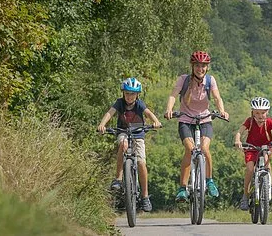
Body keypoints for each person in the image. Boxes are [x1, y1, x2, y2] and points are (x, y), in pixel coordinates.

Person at [164, 51, 229, 202]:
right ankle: (182, 188)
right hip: (186, 120)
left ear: (207, 67)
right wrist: (169, 109)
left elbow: (217, 97)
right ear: (192, 66)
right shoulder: (184, 80)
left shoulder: (210, 80)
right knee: (190, 149)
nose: (200, 69)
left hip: (205, 120)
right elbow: (174, 95)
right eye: (198, 65)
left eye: (203, 66)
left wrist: (222, 111)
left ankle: (209, 181)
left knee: (205, 149)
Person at [97, 77, 162, 213]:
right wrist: (102, 124)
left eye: (132, 94)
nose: (129, 96)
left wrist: (156, 121)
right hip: (123, 132)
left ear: (137, 95)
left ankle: (144, 196)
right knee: (123, 144)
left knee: (141, 163)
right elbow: (110, 113)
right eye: (127, 93)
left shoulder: (140, 104)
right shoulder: (119, 103)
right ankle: (118, 179)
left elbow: (149, 113)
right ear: (123, 93)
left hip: (138, 134)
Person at [234, 96, 272, 210]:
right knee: (249, 169)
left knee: (266, 158)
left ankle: (270, 184)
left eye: (263, 113)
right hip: (251, 147)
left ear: (267, 112)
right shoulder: (249, 121)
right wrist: (237, 140)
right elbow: (239, 132)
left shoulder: (269, 122)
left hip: (265, 146)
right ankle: (245, 195)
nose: (260, 116)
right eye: (257, 113)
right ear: (253, 112)